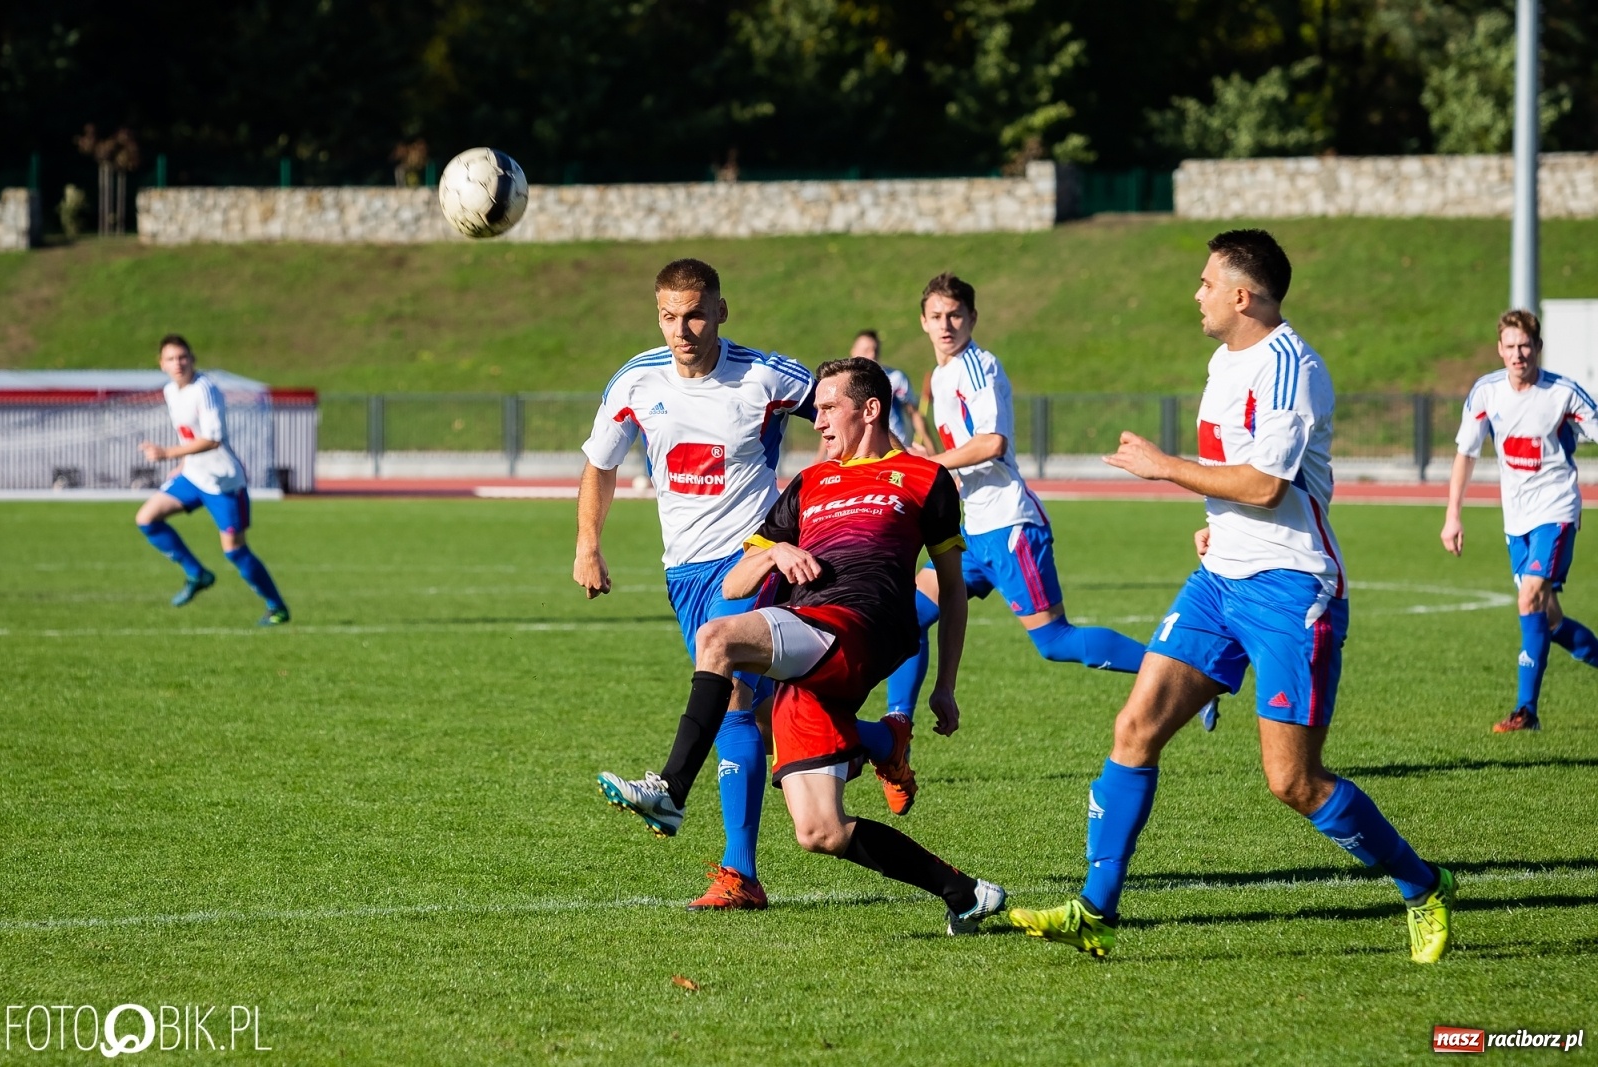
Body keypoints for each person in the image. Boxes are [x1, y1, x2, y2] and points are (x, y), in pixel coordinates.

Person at [1007, 229, 1456, 964]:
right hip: (1221, 579)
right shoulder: (1225, 360)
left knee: (1293, 780)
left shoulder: (1290, 367)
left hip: (1290, 590)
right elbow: (1237, 484)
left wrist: (1163, 467)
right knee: (1135, 727)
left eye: (1208, 283)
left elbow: (1266, 483)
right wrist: (1211, 526)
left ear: (1243, 295)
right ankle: (1095, 909)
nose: (1198, 294)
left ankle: (1422, 884)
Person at [598, 357, 1006, 934]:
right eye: (814, 410)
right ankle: (965, 894)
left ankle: (670, 790)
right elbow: (738, 582)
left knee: (718, 638)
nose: (815, 421)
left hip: (857, 628)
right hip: (810, 648)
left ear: (869, 409)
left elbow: (952, 588)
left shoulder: (924, 478)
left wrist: (945, 685)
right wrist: (773, 553)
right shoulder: (810, 483)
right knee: (820, 831)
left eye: (828, 407)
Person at [576, 257, 817, 911]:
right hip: (681, 571)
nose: (682, 328)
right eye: (669, 315)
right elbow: (600, 463)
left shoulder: (766, 375)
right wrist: (588, 545)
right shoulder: (636, 379)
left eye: (696, 313)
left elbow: (842, 412)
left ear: (721, 310)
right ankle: (876, 742)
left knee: (734, 686)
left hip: (750, 557)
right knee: (751, 709)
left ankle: (727, 859)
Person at [878, 273, 1149, 811]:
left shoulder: (981, 366)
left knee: (1054, 642)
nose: (946, 324)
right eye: (936, 316)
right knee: (904, 620)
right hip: (969, 530)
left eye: (956, 314)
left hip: (1007, 527)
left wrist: (927, 465)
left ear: (972, 319)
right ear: (923, 322)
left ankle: (1177, 670)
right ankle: (896, 739)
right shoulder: (940, 374)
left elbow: (992, 442)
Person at [1441, 309, 1598, 732]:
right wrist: (1452, 515)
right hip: (1517, 519)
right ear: (1499, 349)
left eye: (1525, 345)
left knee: (1529, 597)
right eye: (1510, 346)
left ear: (1538, 348)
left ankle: (1525, 712)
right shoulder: (1486, 393)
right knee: (1549, 619)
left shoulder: (1563, 394)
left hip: (1557, 510)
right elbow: (1466, 454)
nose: (1518, 354)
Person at [135, 334, 289, 626]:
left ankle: (277, 607)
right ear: (161, 364)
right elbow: (188, 434)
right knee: (147, 518)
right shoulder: (171, 392)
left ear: (193, 359)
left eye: (183, 357)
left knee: (234, 551)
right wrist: (182, 463)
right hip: (193, 476)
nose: (178, 363)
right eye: (171, 358)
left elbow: (213, 439)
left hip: (223, 483)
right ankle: (197, 574)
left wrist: (168, 453)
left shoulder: (205, 389)